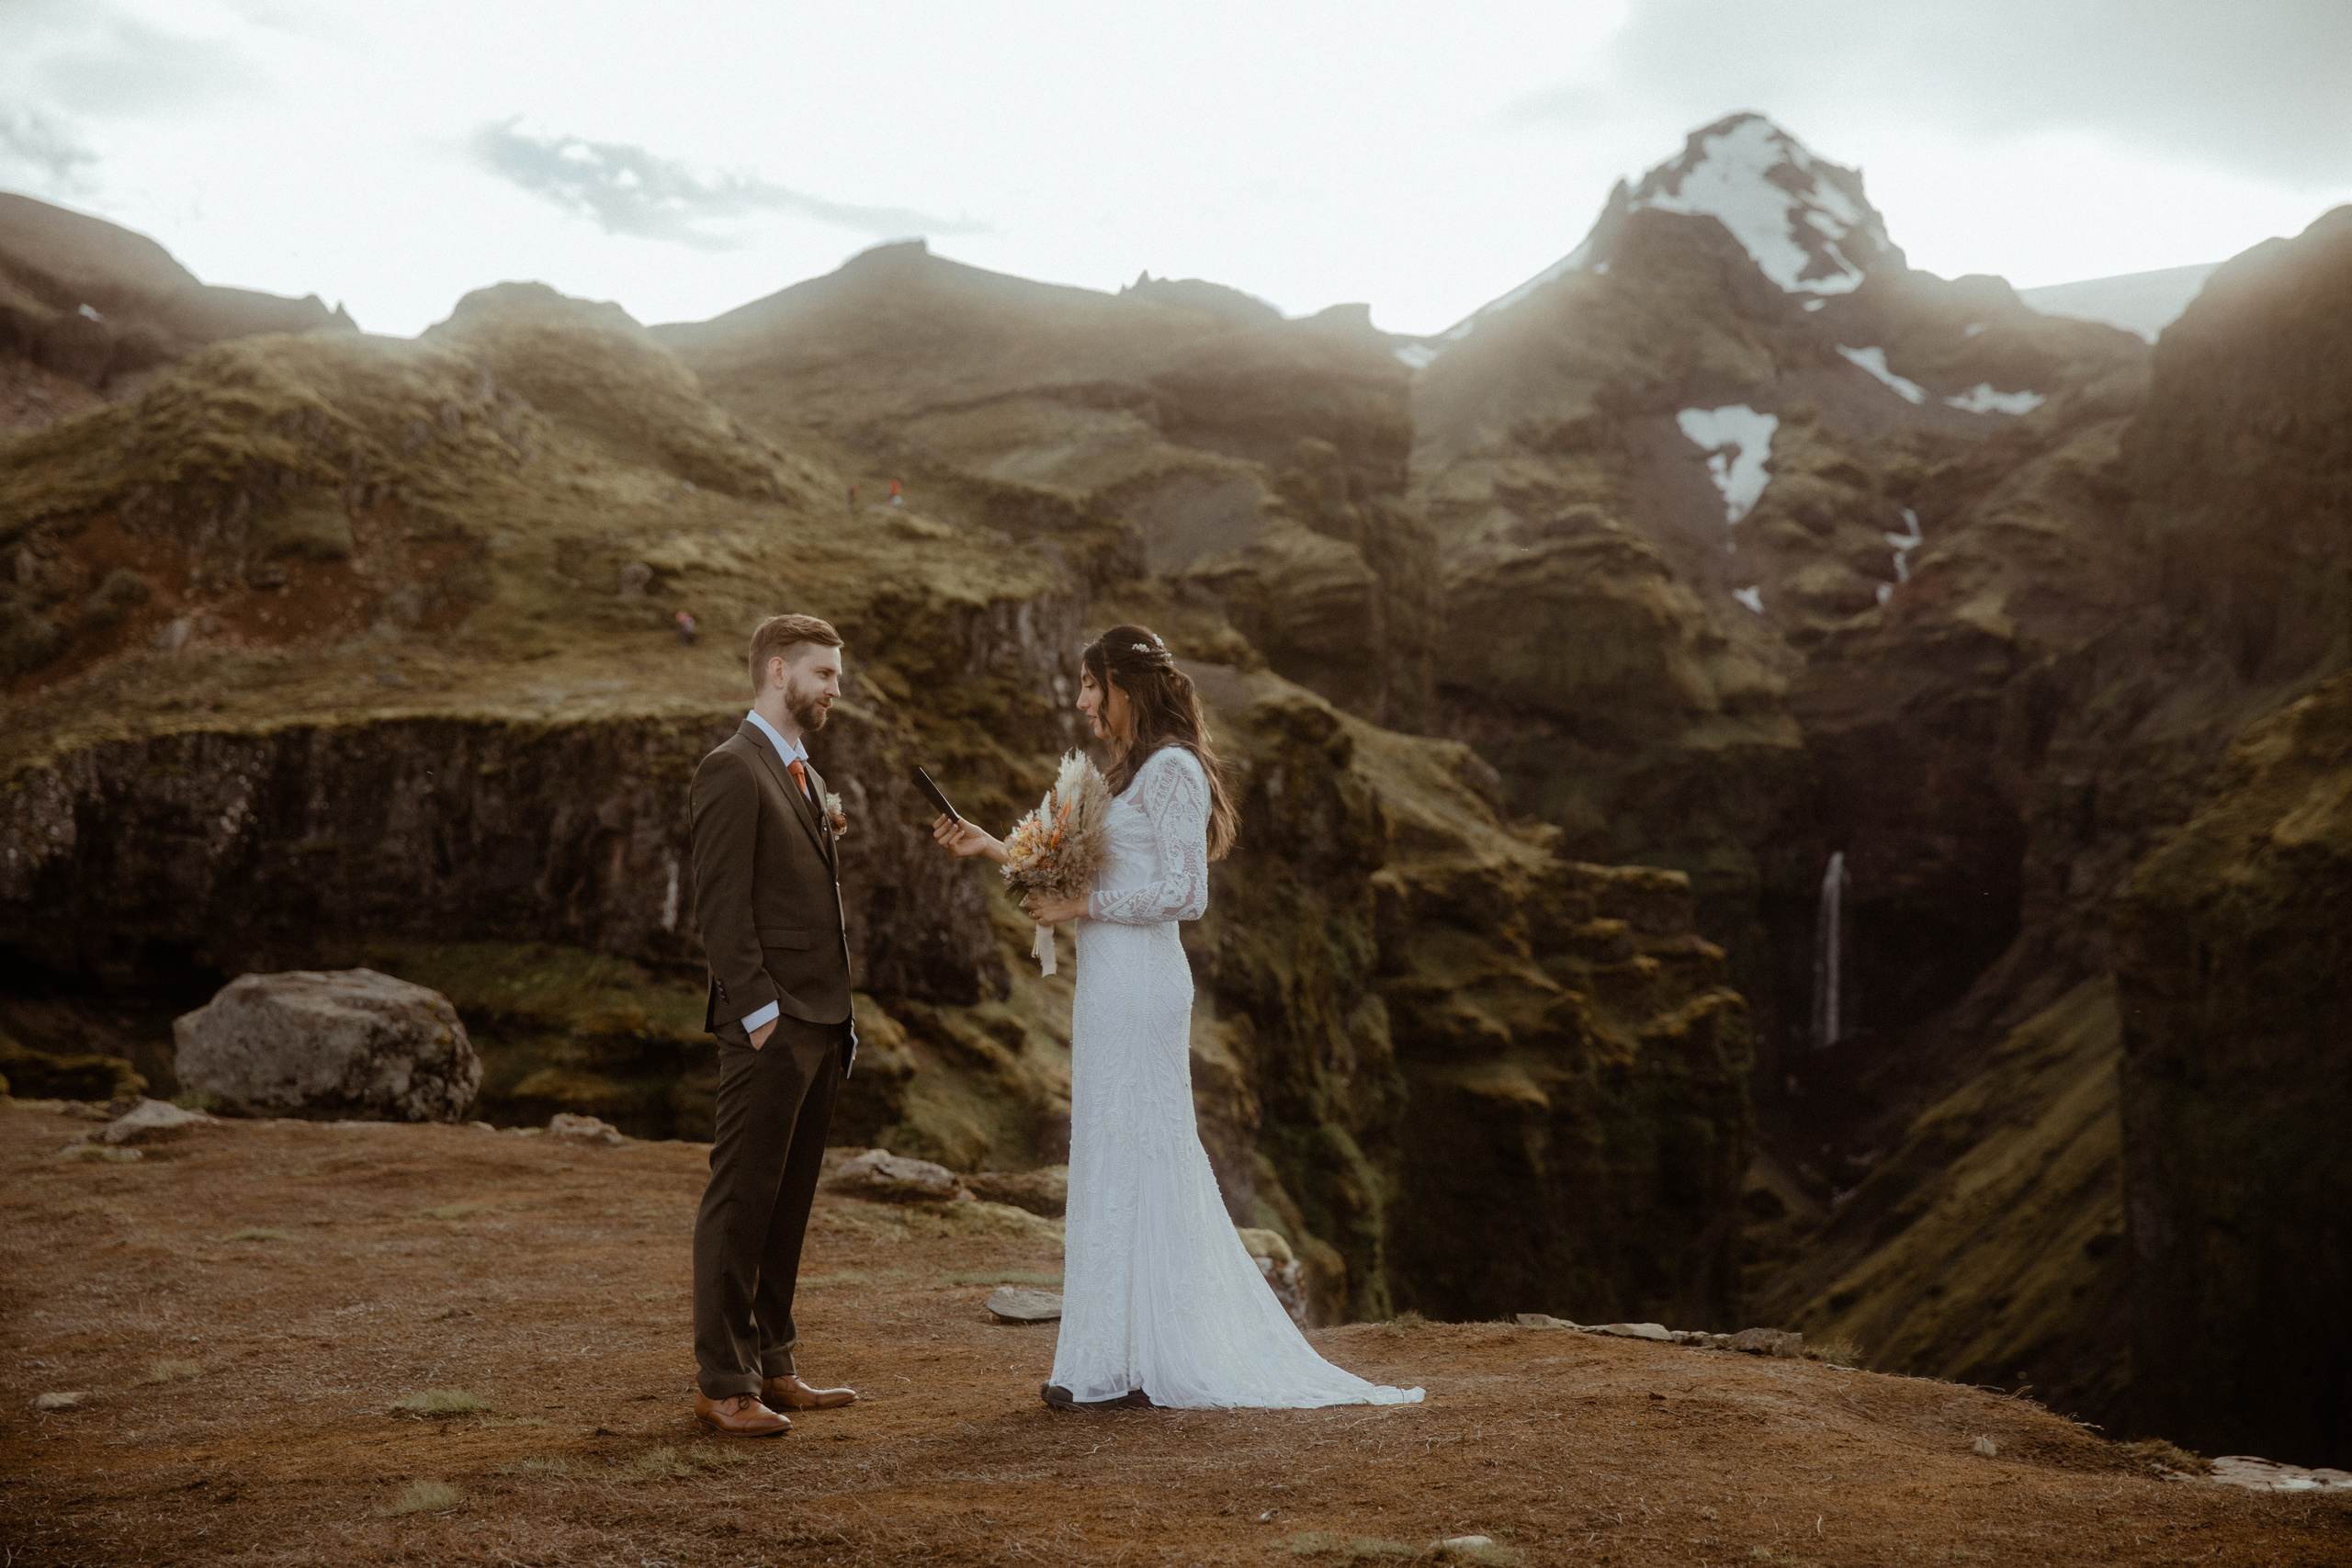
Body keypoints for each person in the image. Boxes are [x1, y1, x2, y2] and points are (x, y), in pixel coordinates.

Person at [931, 626, 1423, 1413]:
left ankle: (1148, 1354)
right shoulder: (1127, 773)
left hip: (1143, 984)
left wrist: (1084, 904)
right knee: (1109, 1142)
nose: (1084, 703)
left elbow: (1186, 893)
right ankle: (1110, 1357)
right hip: (1107, 982)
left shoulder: (1173, 771)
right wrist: (991, 846)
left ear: (1125, 684)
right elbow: (1072, 867)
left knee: (1141, 1144)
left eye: (1092, 687)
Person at [686, 613, 862, 1437]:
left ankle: (775, 1364)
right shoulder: (731, 769)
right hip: (773, 1023)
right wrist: (760, 1016)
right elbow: (722, 907)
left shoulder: (804, 774)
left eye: (838, 675)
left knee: (787, 1202)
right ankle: (724, 1381)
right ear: (779, 668)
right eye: (825, 674)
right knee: (740, 1199)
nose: (836, 688)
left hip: (824, 1023)